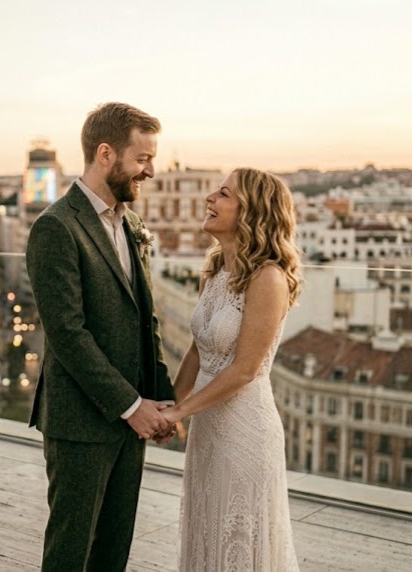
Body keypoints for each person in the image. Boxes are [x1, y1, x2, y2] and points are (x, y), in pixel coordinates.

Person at [26, 102, 177, 572]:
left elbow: (143, 322)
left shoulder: (131, 224)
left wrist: (161, 402)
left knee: (113, 551)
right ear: (106, 154)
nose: (151, 171)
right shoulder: (56, 227)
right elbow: (68, 335)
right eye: (143, 159)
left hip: (130, 420)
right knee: (72, 552)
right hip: (81, 423)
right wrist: (133, 408)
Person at [161, 168, 301, 571]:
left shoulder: (269, 277)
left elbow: (244, 370)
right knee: (207, 530)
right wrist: (172, 403)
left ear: (252, 212)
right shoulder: (219, 268)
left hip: (245, 431)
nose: (209, 198)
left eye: (223, 194)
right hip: (207, 429)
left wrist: (179, 413)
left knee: (239, 541)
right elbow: (197, 349)